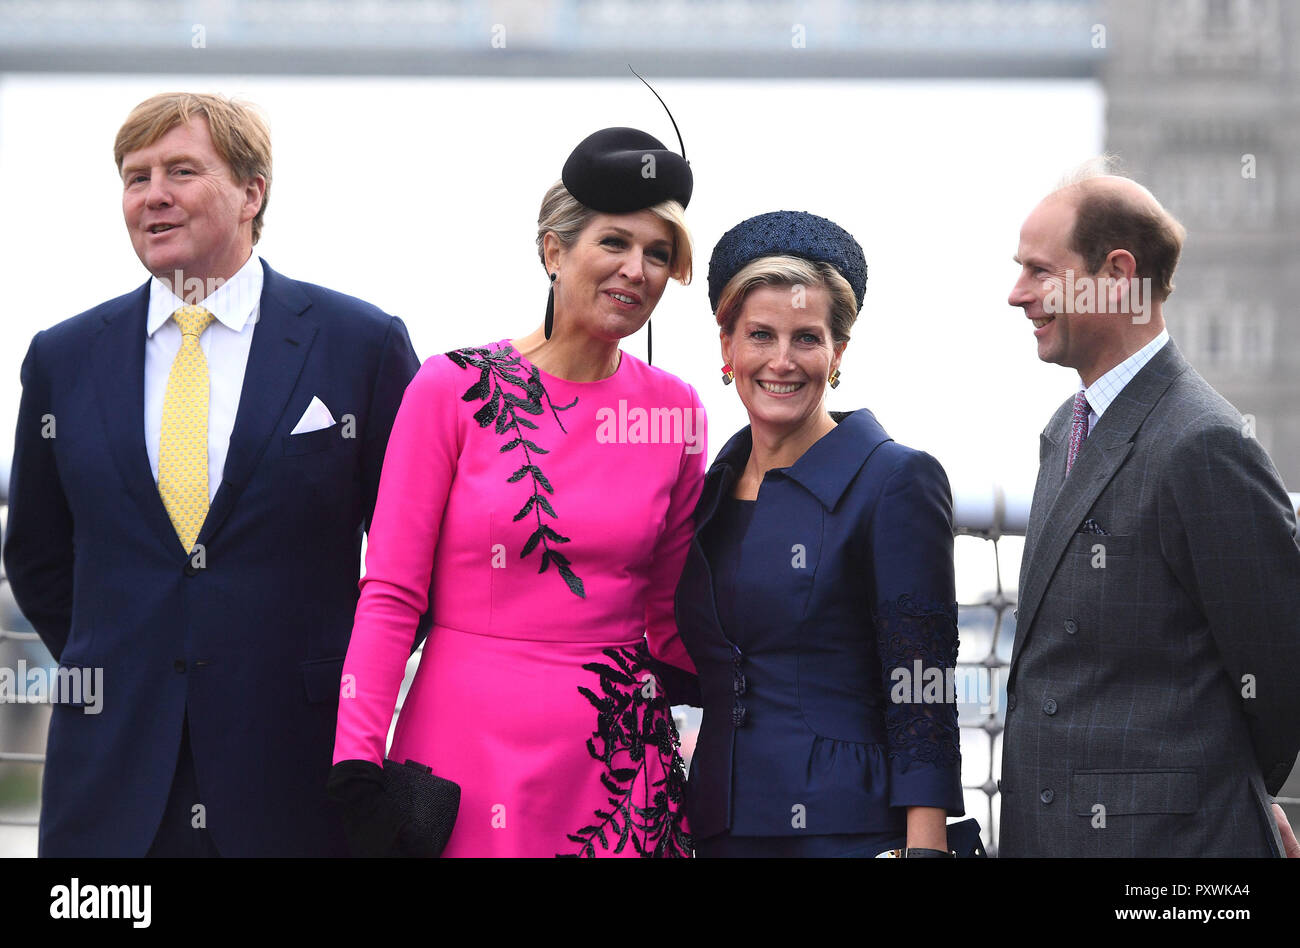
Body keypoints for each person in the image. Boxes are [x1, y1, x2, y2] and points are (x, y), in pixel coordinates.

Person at [2, 92, 423, 857]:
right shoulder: (62, 359)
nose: (152, 194)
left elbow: (414, 552)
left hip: (299, 774)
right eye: (136, 177)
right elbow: (36, 553)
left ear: (252, 191)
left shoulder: (360, 345)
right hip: (110, 778)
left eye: (181, 170)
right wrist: (130, 663)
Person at [328, 126, 705, 857]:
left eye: (658, 254)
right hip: (466, 750)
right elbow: (392, 594)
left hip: (621, 763)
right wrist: (356, 757)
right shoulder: (452, 387)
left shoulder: (678, 412)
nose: (637, 270)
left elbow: (670, 616)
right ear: (554, 251)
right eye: (615, 243)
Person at [1002, 166, 1300, 857]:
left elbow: (1280, 673)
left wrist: (1229, 795)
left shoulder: (1204, 444)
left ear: (1116, 273)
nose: (1016, 295)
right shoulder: (1063, 429)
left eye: (1040, 272)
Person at [673, 211, 964, 857]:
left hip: (847, 830)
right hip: (718, 826)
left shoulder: (893, 478)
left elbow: (923, 685)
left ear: (838, 354)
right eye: (760, 335)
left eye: (806, 338)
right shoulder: (709, 489)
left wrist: (925, 848)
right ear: (727, 348)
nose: (782, 361)